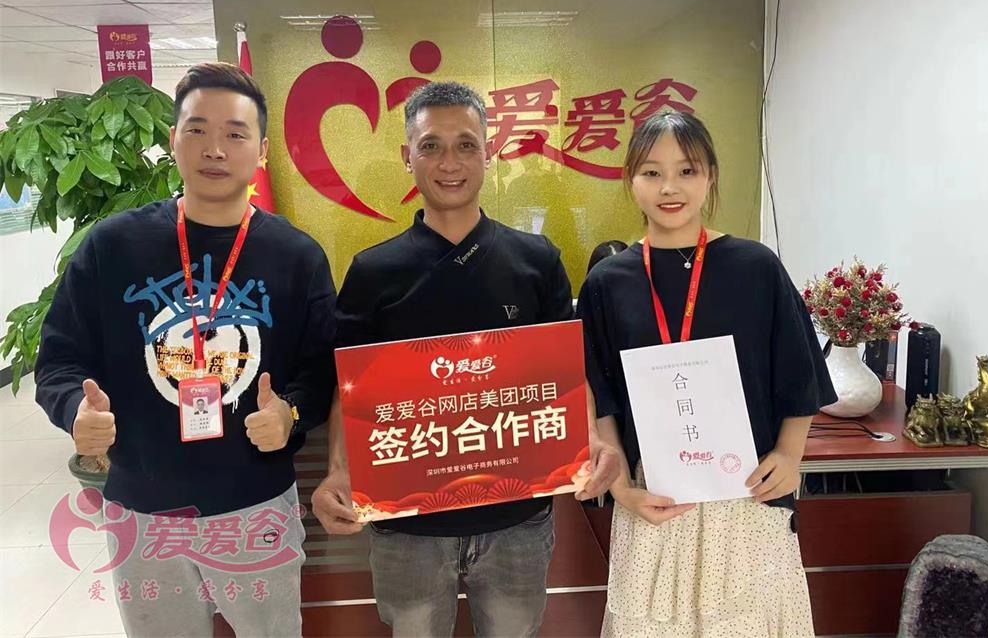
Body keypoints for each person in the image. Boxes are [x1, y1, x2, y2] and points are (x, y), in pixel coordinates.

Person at [35, 62, 337, 638]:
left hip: (254, 506)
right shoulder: (112, 246)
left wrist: (291, 412)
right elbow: (59, 358)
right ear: (173, 139)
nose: (215, 149)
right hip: (143, 510)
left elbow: (322, 369)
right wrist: (74, 410)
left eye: (235, 134)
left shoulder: (296, 256)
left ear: (261, 150)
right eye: (197, 130)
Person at [311, 81, 621, 637]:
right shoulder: (373, 272)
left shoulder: (536, 262)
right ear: (407, 156)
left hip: (516, 518)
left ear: (489, 152)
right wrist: (339, 469)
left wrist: (591, 440)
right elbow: (349, 390)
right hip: (407, 522)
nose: (449, 163)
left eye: (466, 145)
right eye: (430, 146)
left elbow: (565, 374)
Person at [576, 110, 835, 637]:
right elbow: (601, 396)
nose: (669, 187)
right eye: (652, 172)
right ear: (631, 180)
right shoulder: (607, 282)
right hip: (653, 498)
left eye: (687, 170)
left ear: (710, 175)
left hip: (746, 497)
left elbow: (797, 374)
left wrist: (790, 456)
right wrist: (621, 487)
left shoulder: (756, 267)